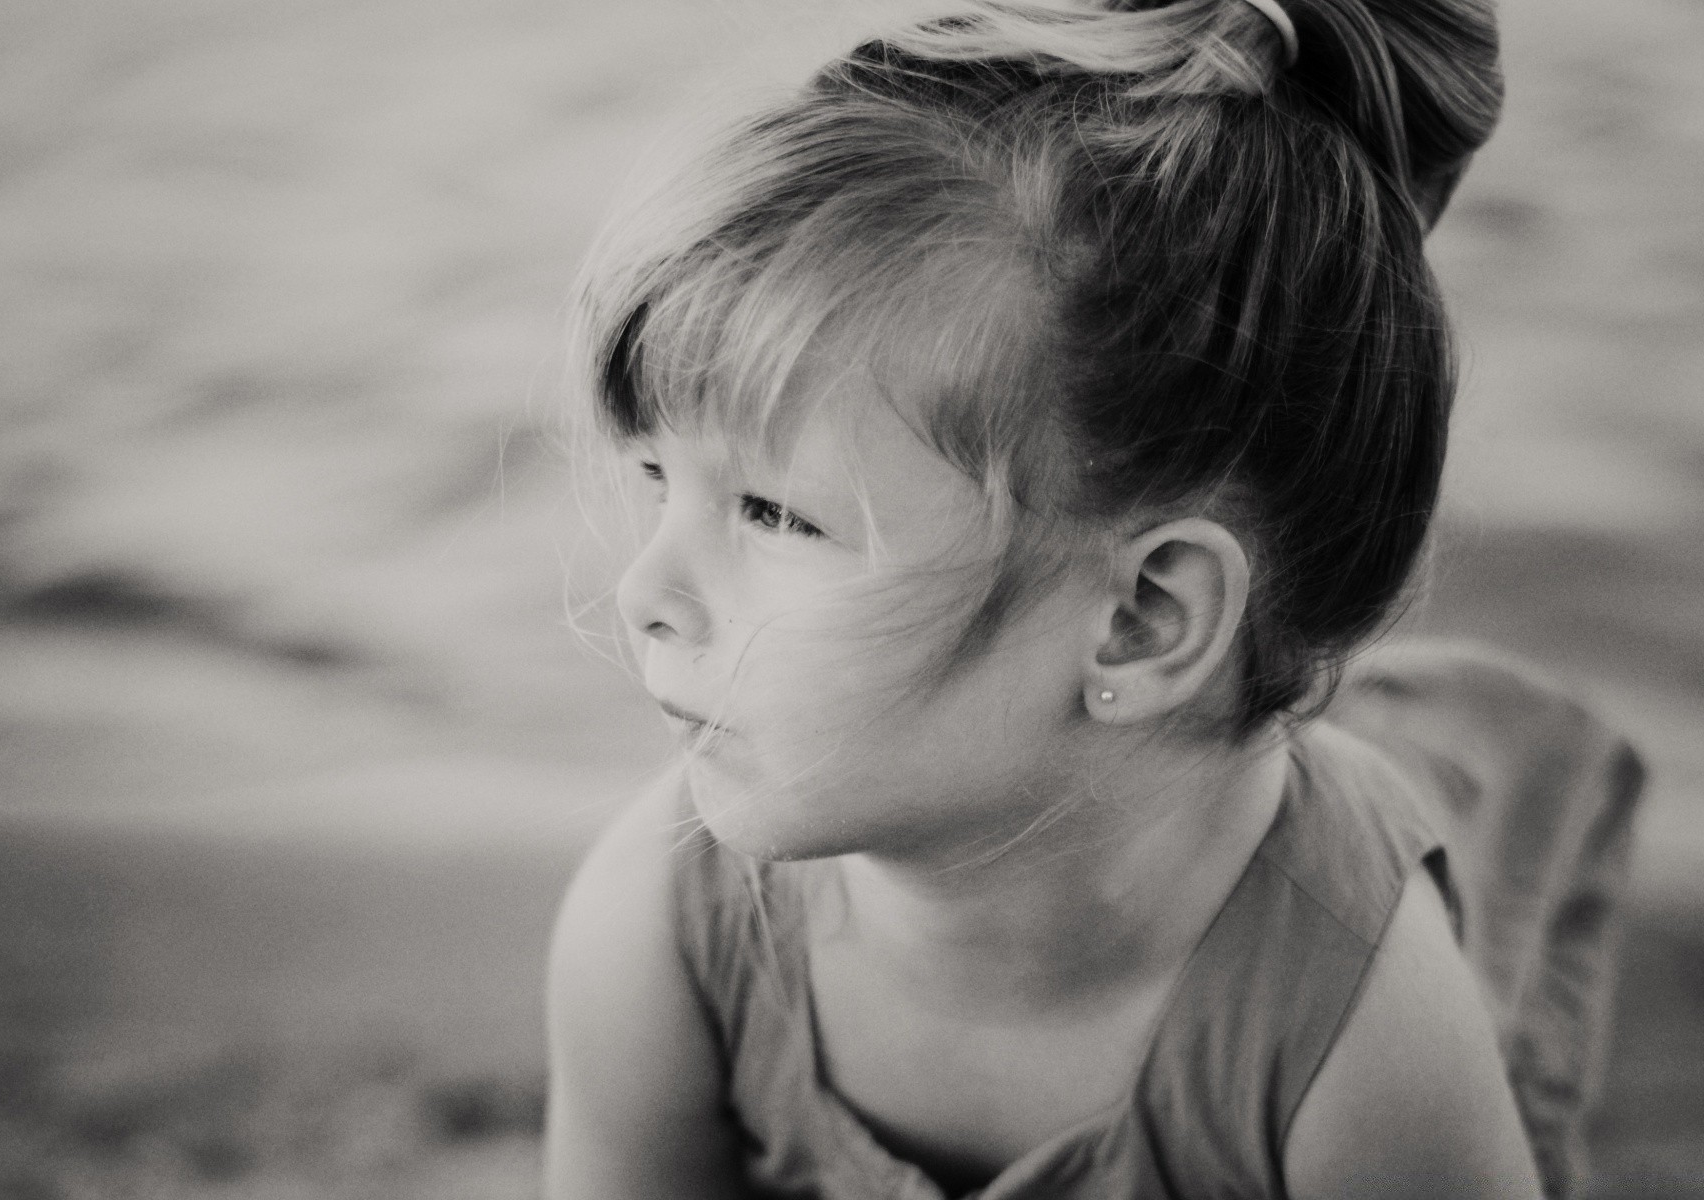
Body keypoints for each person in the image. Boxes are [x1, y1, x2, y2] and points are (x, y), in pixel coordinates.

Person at [542, 1, 1639, 1196]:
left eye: (772, 514)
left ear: (1144, 618)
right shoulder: (660, 925)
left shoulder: (1357, 1027)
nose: (644, 592)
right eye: (657, 478)